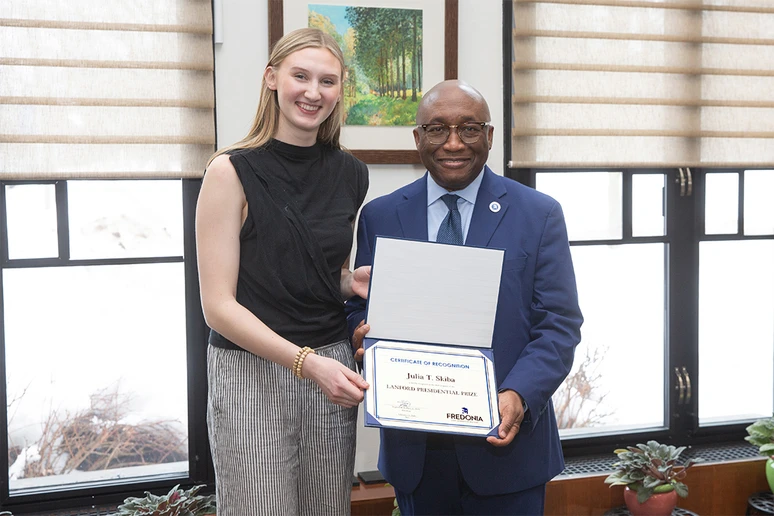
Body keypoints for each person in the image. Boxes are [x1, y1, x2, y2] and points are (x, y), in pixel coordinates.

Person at [345, 80, 583, 515]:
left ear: (489, 136)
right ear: (418, 138)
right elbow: (359, 304)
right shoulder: (380, 215)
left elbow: (559, 326)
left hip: (507, 449)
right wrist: (359, 335)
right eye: (437, 129)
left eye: (469, 129)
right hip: (414, 450)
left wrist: (519, 394)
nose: (453, 143)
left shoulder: (539, 214)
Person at [195, 28, 371, 515]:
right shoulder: (229, 171)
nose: (314, 92)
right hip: (251, 371)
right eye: (301, 76)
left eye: (328, 81)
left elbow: (300, 270)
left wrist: (346, 282)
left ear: (340, 92)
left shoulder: (353, 173)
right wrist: (305, 363)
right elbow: (219, 307)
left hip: (332, 369)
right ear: (272, 78)